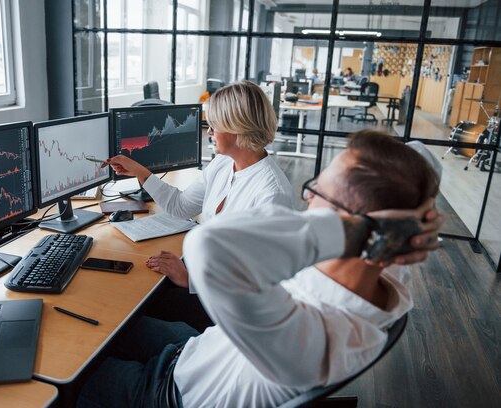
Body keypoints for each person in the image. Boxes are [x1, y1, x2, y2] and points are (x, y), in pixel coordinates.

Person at [78, 130, 443, 407]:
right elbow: (421, 162)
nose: (308, 195)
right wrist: (405, 219)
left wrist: (356, 229)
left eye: (319, 189)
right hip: (196, 350)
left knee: (68, 375)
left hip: (168, 392)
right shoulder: (383, 271)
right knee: (100, 321)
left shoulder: (309, 341)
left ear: (351, 228)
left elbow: (210, 248)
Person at [104, 80, 294, 288]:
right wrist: (140, 172)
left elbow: (259, 278)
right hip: (206, 271)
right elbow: (181, 206)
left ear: (238, 127)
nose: (209, 132)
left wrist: (189, 280)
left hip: (223, 300)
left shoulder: (272, 194)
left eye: (214, 125)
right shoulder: (223, 163)